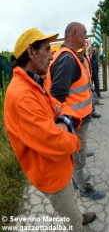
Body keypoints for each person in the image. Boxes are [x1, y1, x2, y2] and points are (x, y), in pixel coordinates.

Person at [4, 28, 96, 230]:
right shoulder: (22, 96)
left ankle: (78, 216)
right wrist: (75, 141)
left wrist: (63, 121)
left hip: (59, 166)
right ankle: (77, 222)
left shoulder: (34, 83)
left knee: (69, 201)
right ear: (31, 52)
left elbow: (63, 106)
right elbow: (56, 140)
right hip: (50, 172)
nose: (52, 53)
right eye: (47, 49)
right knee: (70, 218)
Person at [46, 22, 106, 199]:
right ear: (74, 34)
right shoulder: (67, 59)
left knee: (78, 152)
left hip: (79, 119)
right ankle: (82, 186)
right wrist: (65, 122)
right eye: (84, 34)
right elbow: (57, 96)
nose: (86, 38)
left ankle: (76, 177)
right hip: (75, 120)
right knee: (79, 155)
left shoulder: (70, 56)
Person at [76, 48, 101, 119]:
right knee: (85, 100)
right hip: (81, 84)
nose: (81, 53)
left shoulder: (85, 58)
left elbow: (88, 68)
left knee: (91, 98)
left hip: (87, 82)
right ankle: (88, 114)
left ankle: (92, 112)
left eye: (82, 52)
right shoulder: (75, 61)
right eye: (79, 52)